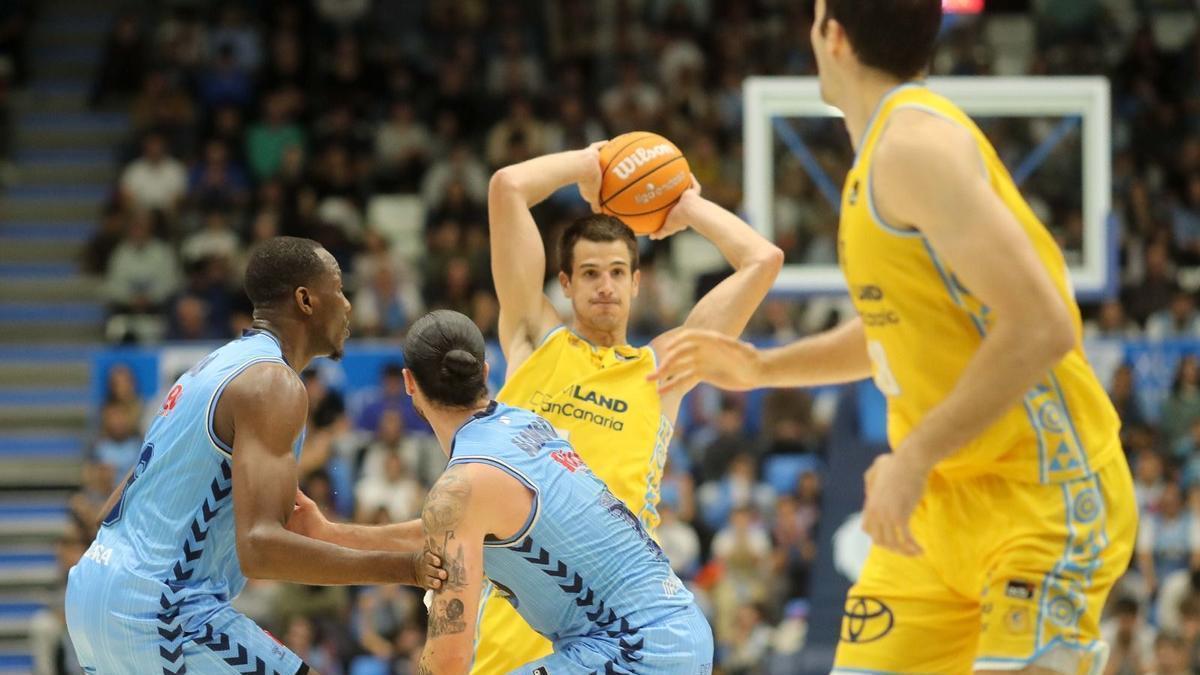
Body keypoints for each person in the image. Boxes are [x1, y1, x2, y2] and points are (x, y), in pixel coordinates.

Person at [649, 1, 1136, 672]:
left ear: (834, 37)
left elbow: (1043, 324)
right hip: (936, 512)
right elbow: (897, 326)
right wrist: (761, 367)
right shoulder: (885, 152)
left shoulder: (914, 148)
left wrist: (912, 458)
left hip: (1038, 497)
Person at [65, 237, 445, 674]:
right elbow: (261, 551)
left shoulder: (211, 367)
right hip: (163, 607)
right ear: (305, 300)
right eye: (339, 289)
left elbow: (116, 505)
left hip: (92, 590)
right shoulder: (273, 384)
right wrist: (408, 569)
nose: (347, 304)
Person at [477, 140, 782, 671]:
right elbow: (508, 187)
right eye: (590, 273)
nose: (606, 286)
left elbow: (762, 260)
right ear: (565, 283)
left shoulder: (664, 369)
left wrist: (685, 206)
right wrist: (591, 163)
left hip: (617, 614)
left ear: (637, 284)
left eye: (618, 272)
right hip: (517, 607)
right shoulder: (534, 340)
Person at [402, 310, 713, 674]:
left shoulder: (459, 491)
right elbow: (443, 531)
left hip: (634, 650)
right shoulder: (526, 423)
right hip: (681, 628)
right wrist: (350, 538)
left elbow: (447, 664)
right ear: (484, 372)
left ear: (409, 383)